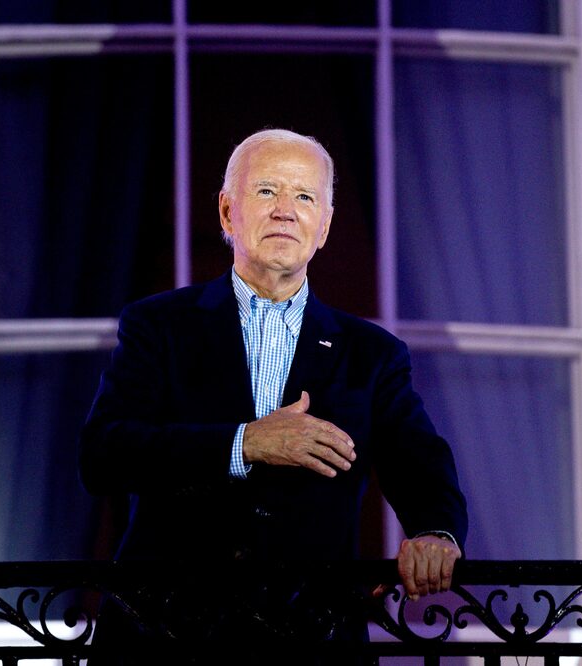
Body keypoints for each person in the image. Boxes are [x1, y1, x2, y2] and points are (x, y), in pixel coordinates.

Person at [79, 129, 468, 655]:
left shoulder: (372, 354)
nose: (285, 210)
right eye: (266, 191)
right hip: (164, 637)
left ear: (324, 227)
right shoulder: (158, 326)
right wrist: (244, 444)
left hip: (311, 638)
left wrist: (435, 535)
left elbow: (421, 465)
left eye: (304, 197)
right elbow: (104, 455)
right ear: (226, 212)